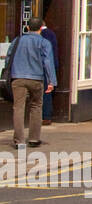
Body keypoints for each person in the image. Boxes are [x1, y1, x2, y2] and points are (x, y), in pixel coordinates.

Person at [8, 17, 55, 148]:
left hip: (18, 78)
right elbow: (48, 63)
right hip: (36, 79)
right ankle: (34, 139)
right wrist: (51, 81)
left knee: (18, 108)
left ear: (27, 28)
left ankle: (19, 141)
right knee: (36, 107)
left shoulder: (17, 40)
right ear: (41, 28)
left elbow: (8, 57)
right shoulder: (45, 43)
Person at [40, 21, 58, 121]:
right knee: (47, 92)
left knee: (45, 92)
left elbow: (46, 57)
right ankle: (46, 116)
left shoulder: (44, 35)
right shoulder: (51, 33)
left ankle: (46, 116)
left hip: (44, 67)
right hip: (51, 65)